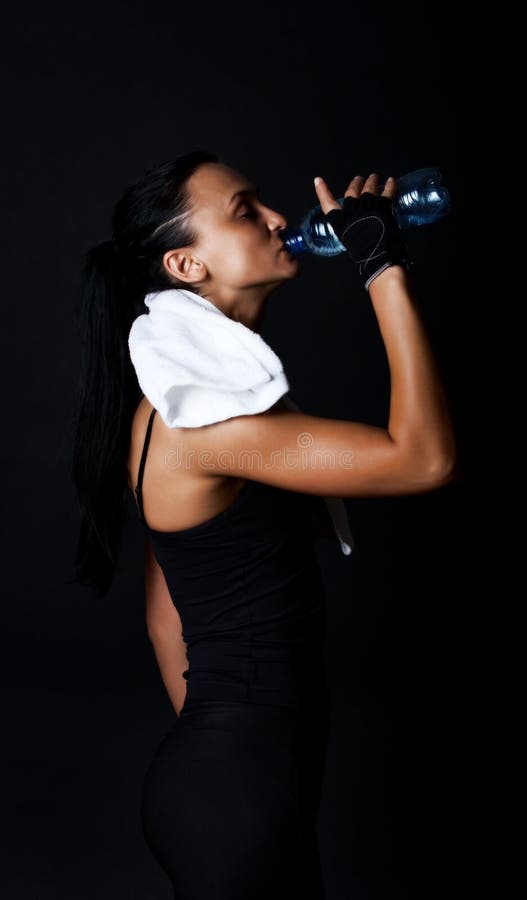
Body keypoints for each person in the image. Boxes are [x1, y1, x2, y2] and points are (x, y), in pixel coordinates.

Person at [71, 150, 457, 898]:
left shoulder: (171, 409)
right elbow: (423, 460)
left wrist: (227, 748)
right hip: (234, 792)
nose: (280, 218)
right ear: (185, 266)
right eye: (245, 211)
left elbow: (164, 617)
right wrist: (381, 266)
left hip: (230, 782)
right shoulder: (206, 427)